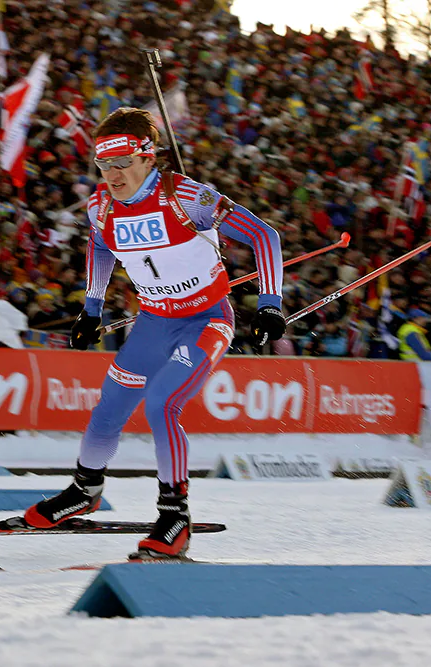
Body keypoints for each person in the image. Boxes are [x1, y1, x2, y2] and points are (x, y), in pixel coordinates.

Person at [24, 108, 285, 560]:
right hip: (152, 323)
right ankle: (84, 491)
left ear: (149, 157)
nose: (113, 173)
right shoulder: (100, 206)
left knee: (162, 404)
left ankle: (174, 516)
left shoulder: (190, 198)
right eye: (103, 164)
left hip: (206, 322)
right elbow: (100, 245)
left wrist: (270, 304)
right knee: (109, 407)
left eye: (123, 161)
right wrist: (91, 308)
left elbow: (265, 236)